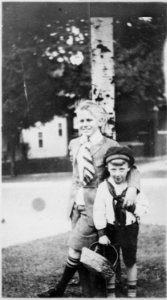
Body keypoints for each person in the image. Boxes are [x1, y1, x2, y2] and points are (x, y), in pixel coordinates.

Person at [38, 100, 140, 298]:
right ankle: (91, 290)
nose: (84, 123)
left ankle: (60, 289)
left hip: (95, 207)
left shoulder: (110, 145)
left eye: (89, 119)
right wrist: (73, 200)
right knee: (83, 250)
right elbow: (76, 174)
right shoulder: (75, 143)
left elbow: (132, 169)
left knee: (75, 247)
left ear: (100, 121)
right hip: (76, 204)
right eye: (81, 119)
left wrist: (133, 189)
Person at [93, 146, 149, 298]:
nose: (117, 173)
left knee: (130, 260)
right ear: (107, 168)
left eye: (122, 169)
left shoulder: (133, 188)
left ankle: (132, 290)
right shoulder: (104, 187)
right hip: (111, 229)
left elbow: (144, 207)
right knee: (110, 260)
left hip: (129, 229)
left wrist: (133, 207)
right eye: (113, 169)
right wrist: (102, 233)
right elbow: (99, 211)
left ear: (129, 168)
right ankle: (111, 292)